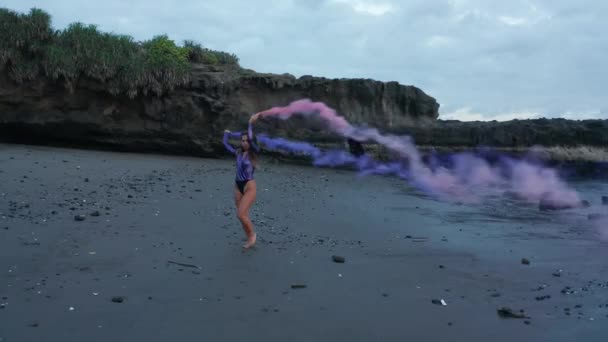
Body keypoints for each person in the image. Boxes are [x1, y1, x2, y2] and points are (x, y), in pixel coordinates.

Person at [223, 113, 261, 249]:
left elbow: (250, 136)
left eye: (247, 140)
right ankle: (249, 236)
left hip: (249, 186)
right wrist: (227, 134)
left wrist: (251, 123)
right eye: (242, 140)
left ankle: (252, 236)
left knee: (241, 214)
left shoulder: (254, 152)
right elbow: (225, 144)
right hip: (237, 185)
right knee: (241, 215)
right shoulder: (238, 153)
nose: (244, 142)